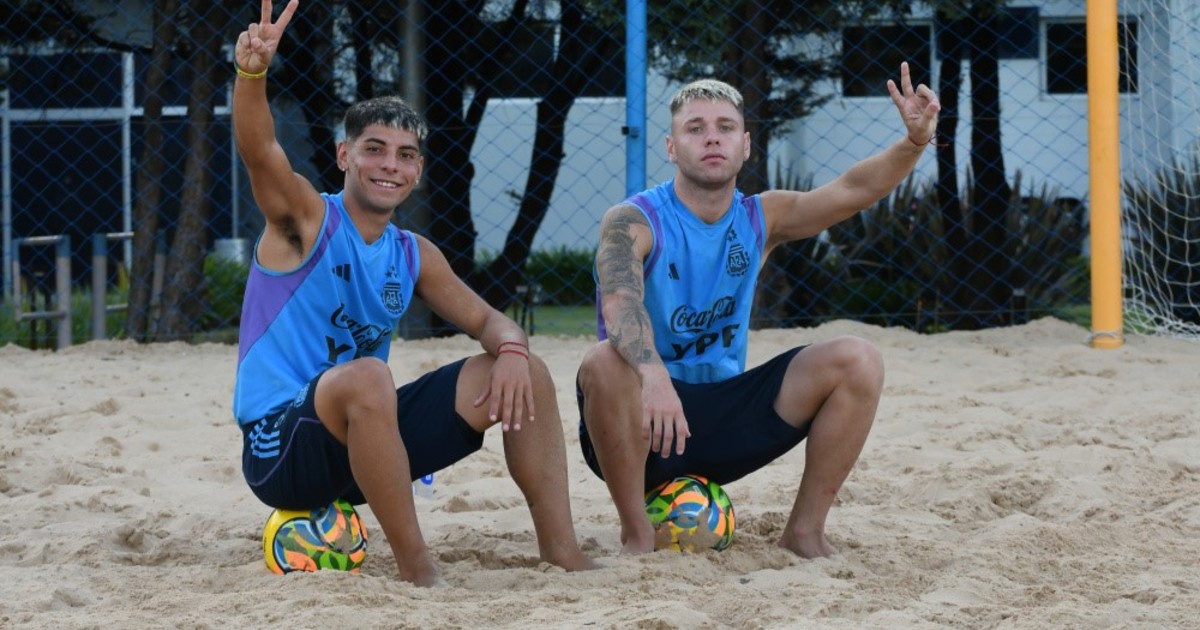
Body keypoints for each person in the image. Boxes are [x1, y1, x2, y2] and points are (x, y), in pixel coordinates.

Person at [231, 0, 593, 586]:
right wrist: (252, 74)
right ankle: (418, 570)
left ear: (418, 171)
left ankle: (563, 553)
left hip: (364, 442)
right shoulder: (306, 221)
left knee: (525, 369)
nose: (389, 165)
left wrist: (511, 350)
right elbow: (260, 152)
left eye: (405, 155)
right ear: (345, 156)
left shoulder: (412, 254)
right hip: (280, 449)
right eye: (373, 149)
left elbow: (492, 321)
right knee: (369, 377)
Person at [578, 64, 940, 557]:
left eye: (725, 127)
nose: (712, 138)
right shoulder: (632, 219)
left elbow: (852, 191)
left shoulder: (760, 217)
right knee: (603, 361)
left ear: (745, 145)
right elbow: (620, 300)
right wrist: (654, 376)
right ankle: (637, 535)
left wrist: (914, 143)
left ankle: (805, 532)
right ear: (671, 147)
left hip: (724, 420)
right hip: (641, 423)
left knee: (858, 359)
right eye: (695, 128)